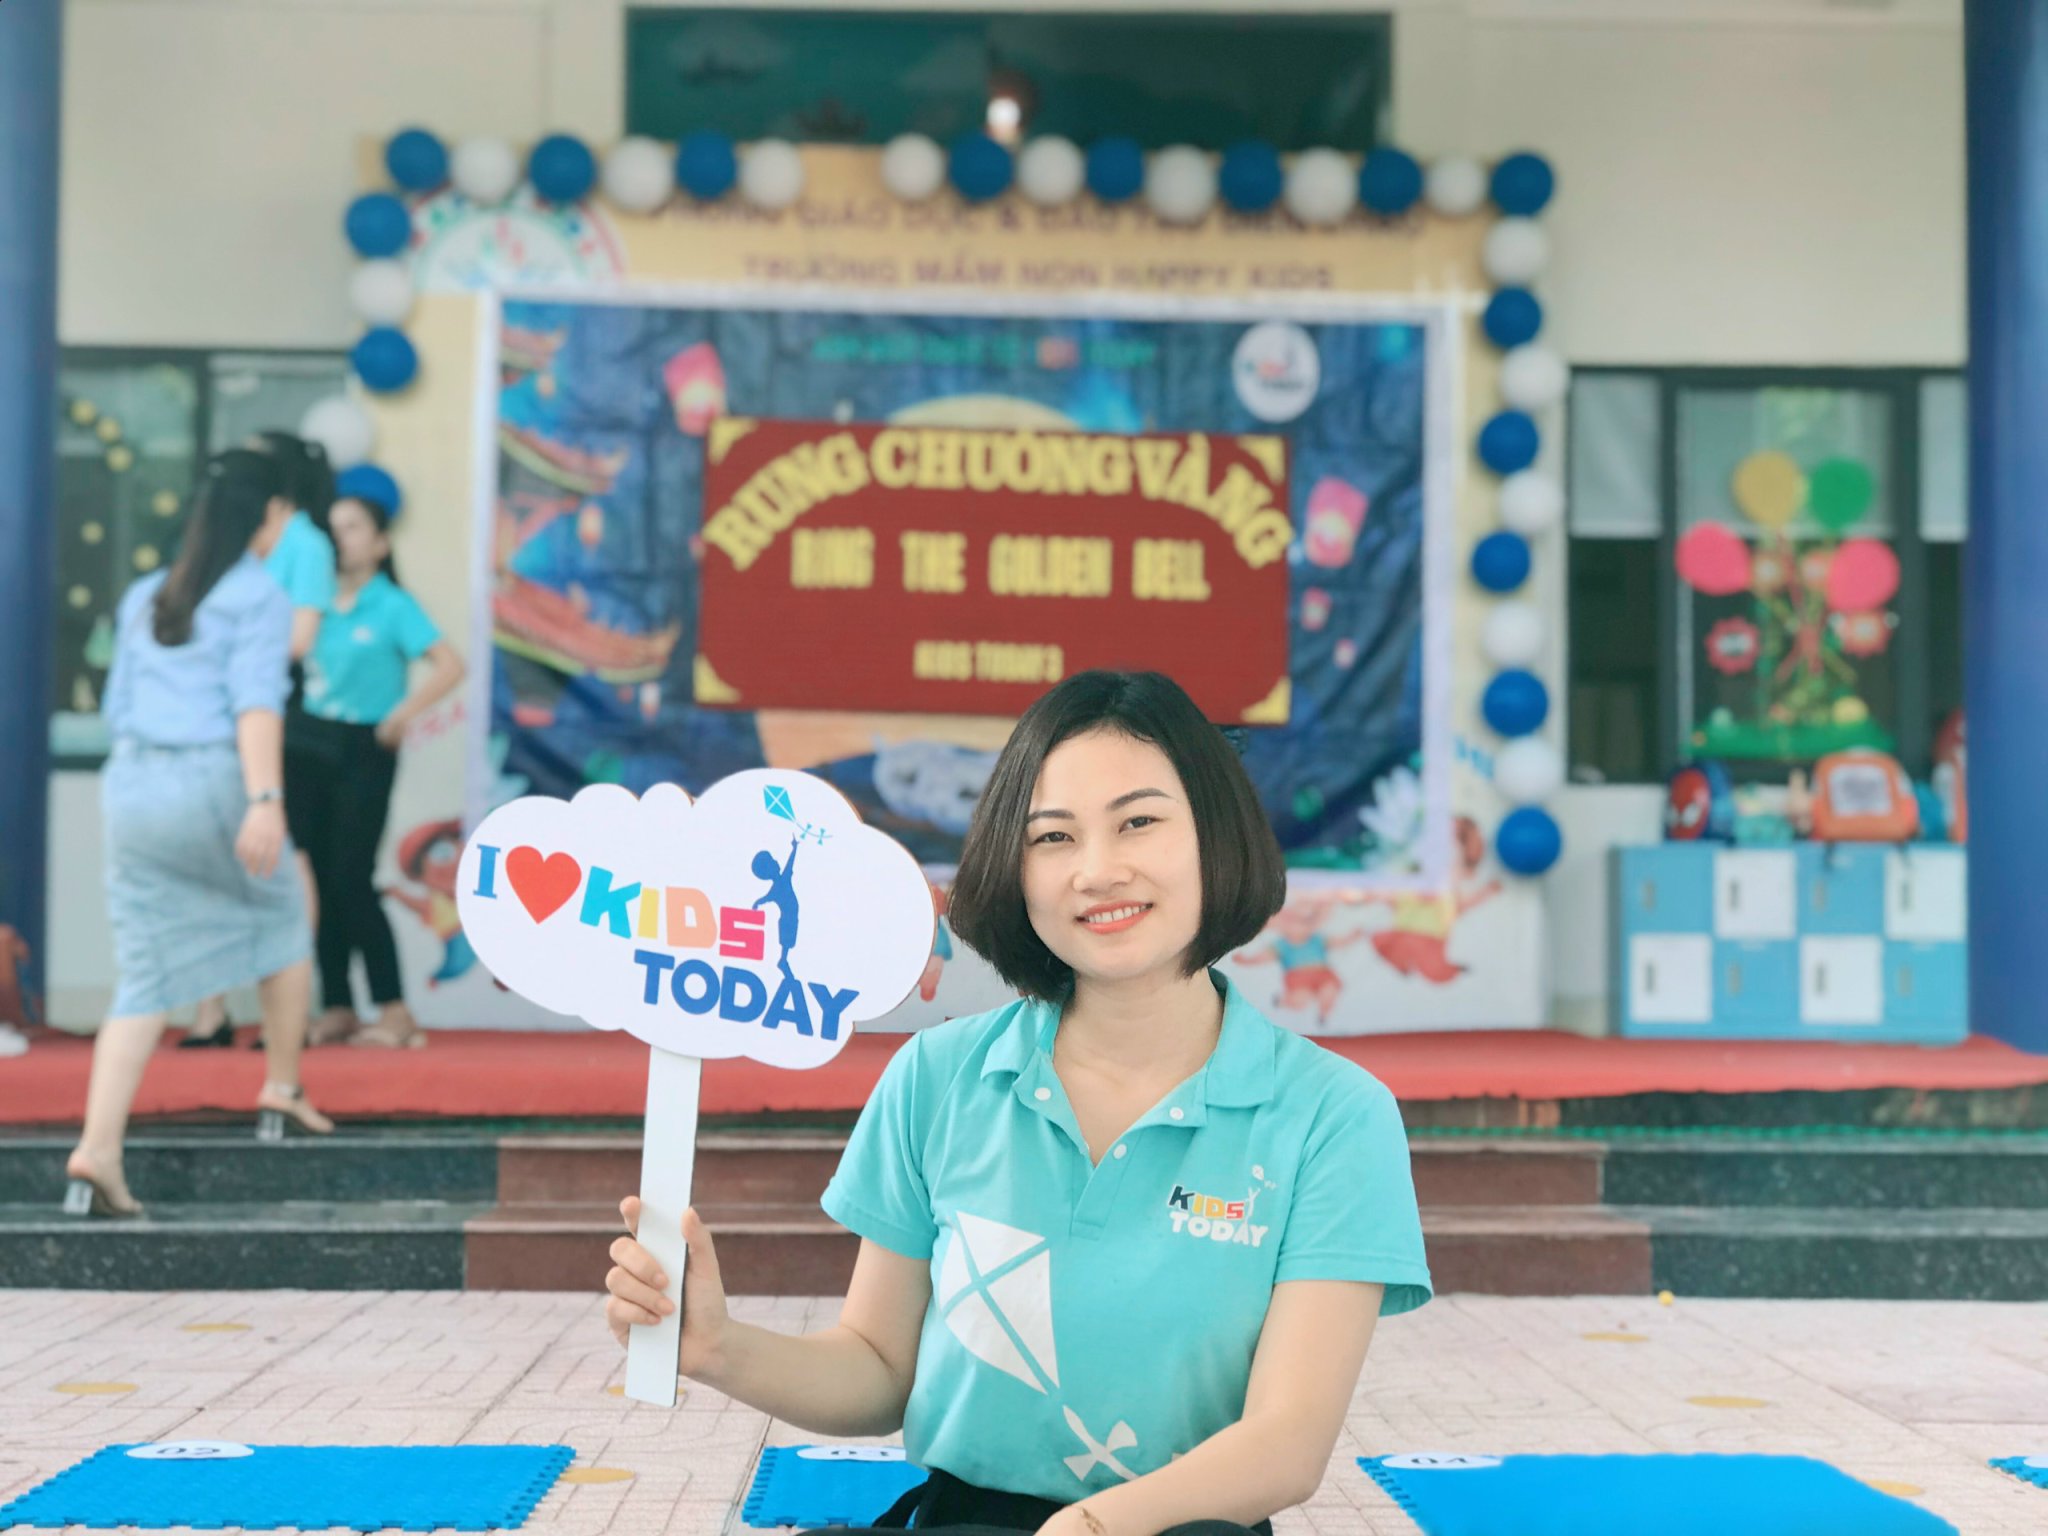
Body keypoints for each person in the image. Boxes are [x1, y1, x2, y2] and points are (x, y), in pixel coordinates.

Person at [603, 671, 1431, 1536]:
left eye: (1139, 822)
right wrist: (717, 1346)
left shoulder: (1335, 1116)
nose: (1097, 871)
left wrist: (1090, 1528)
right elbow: (878, 1368)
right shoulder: (937, 1076)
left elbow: (1286, 1444)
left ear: (1216, 836)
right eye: (1053, 837)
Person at [66, 449, 335, 1218]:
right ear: (268, 516)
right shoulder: (258, 595)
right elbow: (256, 704)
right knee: (284, 919)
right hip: (212, 781)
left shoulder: (148, 594)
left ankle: (98, 1149)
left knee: (143, 974)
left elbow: (118, 707)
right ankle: (282, 1088)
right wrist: (266, 800)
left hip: (132, 788)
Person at [288, 493, 465, 1050]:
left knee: (351, 875)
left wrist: (402, 716)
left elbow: (450, 665)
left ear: (381, 542)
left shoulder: (392, 604)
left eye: (353, 527)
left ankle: (394, 1008)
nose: (341, 537)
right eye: (333, 527)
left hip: (364, 748)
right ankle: (338, 1006)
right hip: (306, 744)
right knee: (316, 878)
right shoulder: (310, 604)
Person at [184, 429, 336, 1049]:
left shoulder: (307, 542)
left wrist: (235, 643)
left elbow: (300, 639)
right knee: (214, 860)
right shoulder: (228, 544)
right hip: (221, 717)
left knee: (289, 860)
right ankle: (209, 1010)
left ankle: (288, 1017)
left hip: (285, 719)